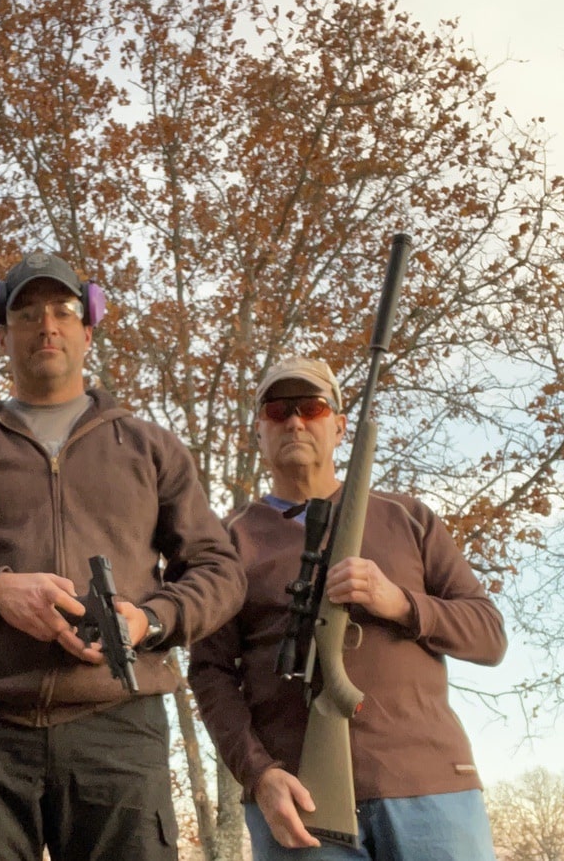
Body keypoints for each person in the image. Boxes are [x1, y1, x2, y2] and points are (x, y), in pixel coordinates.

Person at [0, 251, 246, 861]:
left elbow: (218, 570)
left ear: (89, 328)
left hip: (119, 729)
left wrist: (150, 621)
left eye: (61, 312)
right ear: (2, 333)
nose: (46, 327)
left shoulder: (149, 448)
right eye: (27, 314)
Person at [187, 355, 508, 861]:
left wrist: (399, 602)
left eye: (311, 407)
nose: (294, 421)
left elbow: (489, 636)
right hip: (300, 805)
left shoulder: (409, 518)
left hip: (432, 790)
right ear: (258, 431)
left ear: (338, 427)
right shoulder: (227, 542)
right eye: (277, 410)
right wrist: (260, 774)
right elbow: (209, 673)